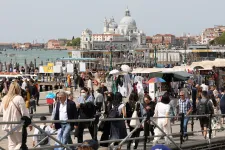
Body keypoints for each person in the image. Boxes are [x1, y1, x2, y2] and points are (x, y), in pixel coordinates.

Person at [0, 82, 31, 150]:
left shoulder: (5, 98)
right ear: (18, 89)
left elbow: (1, 110)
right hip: (17, 125)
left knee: (11, 144)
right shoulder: (19, 98)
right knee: (20, 143)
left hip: (7, 124)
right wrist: (30, 123)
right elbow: (24, 112)